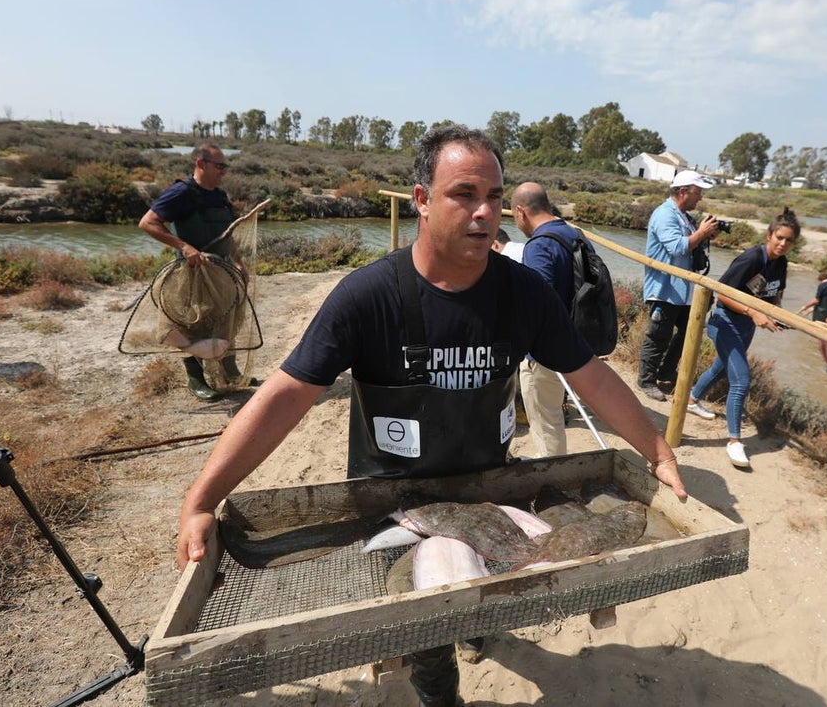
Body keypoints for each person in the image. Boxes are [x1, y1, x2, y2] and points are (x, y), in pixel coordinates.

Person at [173, 126, 687, 707]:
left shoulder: (524, 294)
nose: (483, 212)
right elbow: (285, 397)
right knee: (424, 631)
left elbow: (590, 375)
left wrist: (656, 450)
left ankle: (474, 628)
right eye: (463, 194)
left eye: (494, 197)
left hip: (489, 487)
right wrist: (201, 500)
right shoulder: (367, 297)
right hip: (392, 495)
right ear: (421, 199)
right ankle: (441, 692)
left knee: (480, 597)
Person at [687, 208, 801, 469]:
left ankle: (692, 400)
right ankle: (735, 441)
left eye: (789, 241)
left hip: (746, 326)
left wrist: (776, 314)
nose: (783, 244)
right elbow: (722, 292)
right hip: (724, 323)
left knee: (720, 368)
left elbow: (775, 294)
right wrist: (753, 312)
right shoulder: (751, 258)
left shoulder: (781, 263)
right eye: (779, 238)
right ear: (770, 235)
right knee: (741, 381)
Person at [139, 143, 245, 400]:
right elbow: (148, 222)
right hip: (192, 272)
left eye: (225, 166)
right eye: (220, 166)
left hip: (222, 271)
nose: (224, 171)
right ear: (201, 163)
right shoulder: (182, 193)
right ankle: (196, 379)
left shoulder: (219, 196)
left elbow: (228, 235)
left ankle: (230, 371)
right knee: (193, 325)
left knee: (225, 317)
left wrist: (239, 262)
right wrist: (184, 246)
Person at [510, 181, 585, 457]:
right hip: (573, 341)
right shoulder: (573, 234)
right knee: (552, 417)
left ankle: (550, 482)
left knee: (545, 423)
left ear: (520, 212)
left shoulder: (539, 246)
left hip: (545, 353)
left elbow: (539, 304)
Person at [638, 170, 721, 401]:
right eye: (698, 192)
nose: (700, 198)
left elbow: (690, 246)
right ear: (683, 192)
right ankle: (646, 380)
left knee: (688, 333)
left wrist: (704, 235)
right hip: (664, 289)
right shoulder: (665, 215)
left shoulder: (684, 216)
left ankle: (666, 372)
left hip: (683, 290)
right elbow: (676, 247)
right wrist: (701, 233)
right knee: (658, 336)